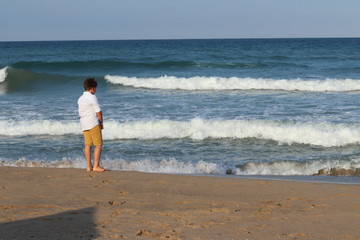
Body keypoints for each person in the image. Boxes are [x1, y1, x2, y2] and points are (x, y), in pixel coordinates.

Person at [77, 78, 106, 172]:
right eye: (95, 88)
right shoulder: (92, 97)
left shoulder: (80, 98)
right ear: (92, 88)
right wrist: (101, 122)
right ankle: (96, 166)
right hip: (93, 123)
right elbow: (98, 111)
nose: (96, 90)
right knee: (98, 144)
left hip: (84, 124)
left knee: (87, 145)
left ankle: (89, 166)